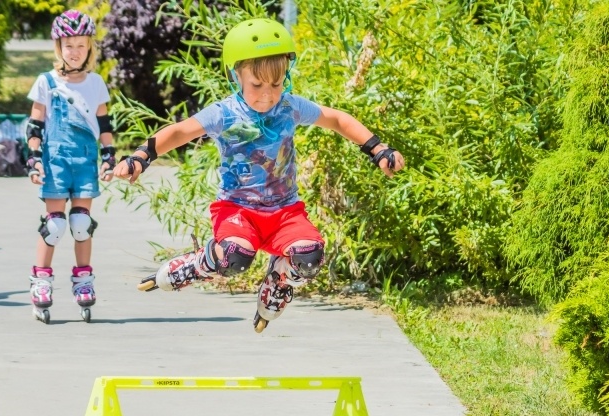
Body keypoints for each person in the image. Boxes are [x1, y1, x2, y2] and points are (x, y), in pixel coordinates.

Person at [111, 18, 405, 333]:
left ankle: (279, 279)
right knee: (235, 258)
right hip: (237, 210)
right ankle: (200, 264)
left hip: (285, 212)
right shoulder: (223, 113)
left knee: (310, 256)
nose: (267, 95)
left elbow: (336, 119)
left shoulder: (290, 107)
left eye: (276, 84)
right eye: (257, 85)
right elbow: (180, 131)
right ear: (236, 75)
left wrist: (378, 150)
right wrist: (141, 157)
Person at [25, 10, 116, 324]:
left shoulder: (95, 83)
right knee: (54, 225)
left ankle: (83, 279)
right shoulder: (46, 82)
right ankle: (40, 280)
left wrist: (109, 156)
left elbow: (104, 124)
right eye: (68, 45)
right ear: (58, 47)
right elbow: (35, 125)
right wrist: (34, 159)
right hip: (55, 162)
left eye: (80, 45)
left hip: (85, 162)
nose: (74, 51)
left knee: (80, 223)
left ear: (89, 47)